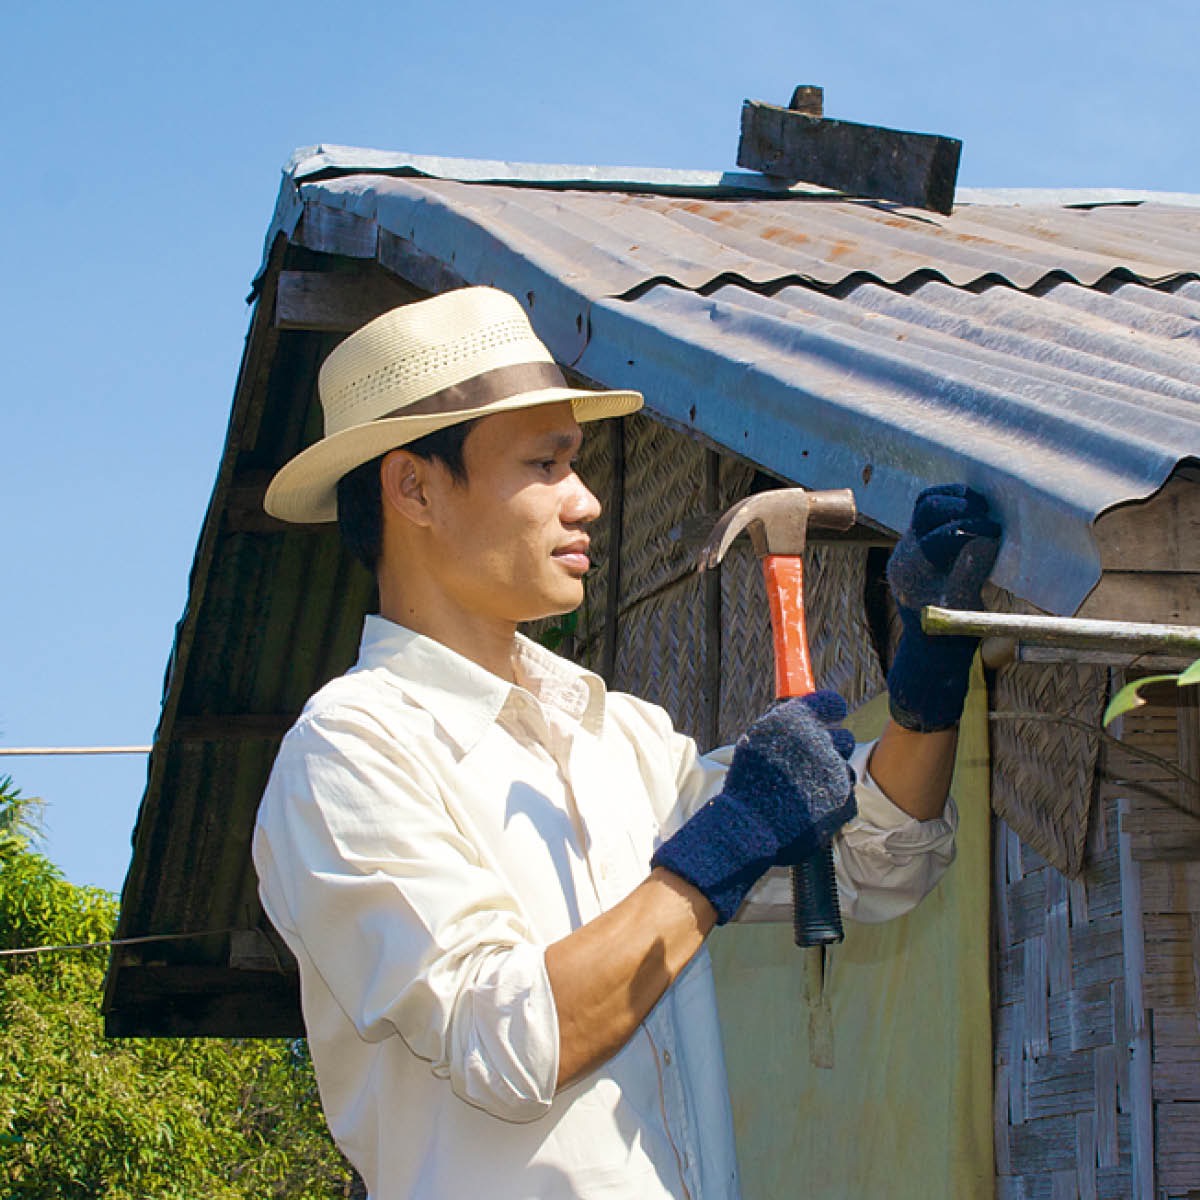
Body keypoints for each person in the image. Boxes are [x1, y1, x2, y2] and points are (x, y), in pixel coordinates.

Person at [252, 286, 1000, 1200]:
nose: (588, 502)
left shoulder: (622, 739)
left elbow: (876, 863)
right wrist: (725, 843)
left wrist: (928, 680)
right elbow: (512, 1044)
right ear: (413, 486)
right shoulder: (350, 751)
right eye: (546, 464)